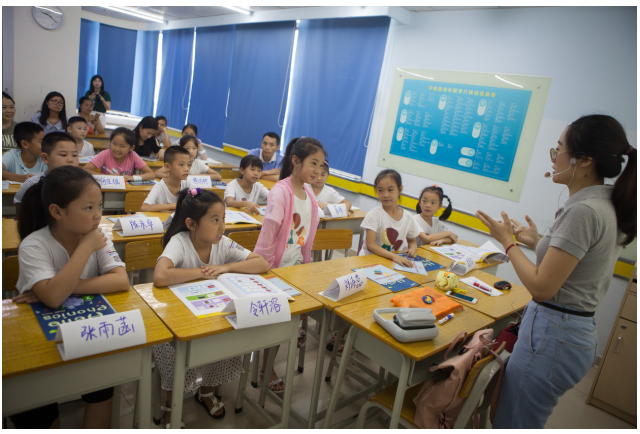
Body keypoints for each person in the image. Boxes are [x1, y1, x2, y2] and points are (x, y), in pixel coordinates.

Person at [476, 115, 637, 429]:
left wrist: (507, 242)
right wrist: (536, 242)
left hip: (554, 336)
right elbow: (579, 262)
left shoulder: (583, 210)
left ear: (584, 159)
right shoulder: (605, 203)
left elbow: (542, 287)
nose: (554, 157)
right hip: (568, 335)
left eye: (558, 150)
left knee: (514, 422)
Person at [10, 166, 129, 429]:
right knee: (36, 406)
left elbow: (121, 281)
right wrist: (85, 249)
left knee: (102, 385)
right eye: (88, 208)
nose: (98, 215)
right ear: (56, 211)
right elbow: (53, 299)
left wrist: (62, 287)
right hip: (36, 343)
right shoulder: (35, 244)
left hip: (82, 331)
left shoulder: (96, 237)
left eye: (99, 205)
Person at [153, 188, 269, 427]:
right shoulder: (180, 241)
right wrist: (203, 273)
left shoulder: (223, 244)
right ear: (191, 224)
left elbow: (262, 263)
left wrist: (226, 268)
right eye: (215, 220)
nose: (222, 226)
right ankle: (169, 404)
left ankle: (206, 391)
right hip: (179, 318)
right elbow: (160, 276)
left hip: (208, 312)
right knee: (175, 351)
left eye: (223, 219)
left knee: (227, 338)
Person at [253, 137, 324, 393]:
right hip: (274, 269)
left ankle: (295, 329)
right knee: (276, 323)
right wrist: (263, 269)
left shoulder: (310, 196)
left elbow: (307, 240)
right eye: (313, 163)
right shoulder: (280, 191)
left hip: (296, 269)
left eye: (321, 164)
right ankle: (266, 368)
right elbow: (267, 236)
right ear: (296, 161)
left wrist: (307, 266)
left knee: (296, 312)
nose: (318, 170)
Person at [359, 169, 418, 266]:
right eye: (380, 190)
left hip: (393, 262)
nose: (385, 195)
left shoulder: (407, 217)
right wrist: (394, 256)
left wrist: (412, 249)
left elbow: (412, 241)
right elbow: (370, 245)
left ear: (400, 189)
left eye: (390, 190)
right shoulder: (374, 215)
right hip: (369, 261)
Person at [14, 132, 79, 214]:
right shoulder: (32, 184)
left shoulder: (82, 183)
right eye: (63, 155)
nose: (70, 160)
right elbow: (20, 207)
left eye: (74, 155)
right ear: (45, 158)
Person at [82, 127, 155, 181]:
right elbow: (85, 170)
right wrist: (106, 177)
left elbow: (151, 174)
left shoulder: (133, 155)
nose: (117, 149)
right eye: (114, 143)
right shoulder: (105, 154)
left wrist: (132, 177)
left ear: (131, 148)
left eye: (122, 146)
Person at [140, 147, 193, 212]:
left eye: (189, 164)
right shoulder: (159, 187)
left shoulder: (188, 185)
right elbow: (144, 208)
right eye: (181, 164)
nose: (187, 169)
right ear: (167, 166)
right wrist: (174, 205)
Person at [154, 135, 221, 180]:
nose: (191, 151)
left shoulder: (198, 163)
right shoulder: (175, 162)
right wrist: (169, 176)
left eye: (194, 148)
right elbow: (156, 174)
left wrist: (195, 177)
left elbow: (218, 176)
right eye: (187, 148)